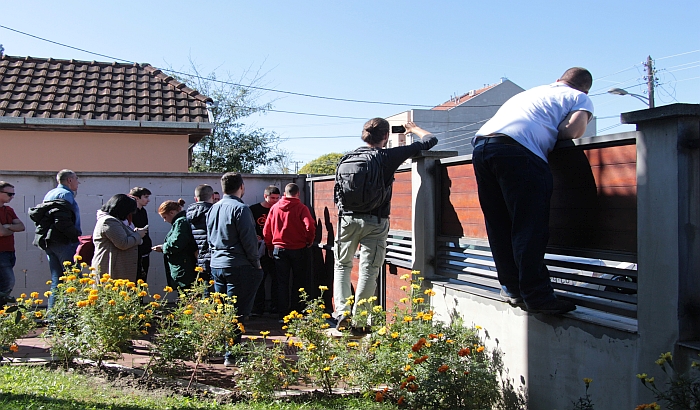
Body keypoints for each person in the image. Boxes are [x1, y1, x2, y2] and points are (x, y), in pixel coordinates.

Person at [471, 67, 594, 314]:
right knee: (529, 226)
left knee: (499, 226)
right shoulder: (579, 97)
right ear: (584, 88)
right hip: (519, 152)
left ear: (559, 79)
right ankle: (538, 297)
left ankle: (512, 289)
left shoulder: (533, 93)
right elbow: (572, 131)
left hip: (483, 148)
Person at [333, 119, 437, 330]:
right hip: (375, 220)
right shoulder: (388, 156)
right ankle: (360, 320)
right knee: (369, 269)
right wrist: (414, 129)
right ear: (386, 137)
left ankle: (342, 312)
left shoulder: (349, 157)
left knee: (342, 265)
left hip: (346, 220)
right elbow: (430, 140)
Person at [206, 172, 263, 367]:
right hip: (238, 265)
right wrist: (256, 262)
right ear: (241, 186)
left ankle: (223, 349)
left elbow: (209, 236)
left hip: (217, 264)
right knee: (237, 312)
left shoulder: (213, 208)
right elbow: (249, 240)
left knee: (223, 310)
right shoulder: (241, 208)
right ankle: (231, 354)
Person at [263, 183, 315, 318]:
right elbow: (309, 225)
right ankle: (297, 311)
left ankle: (282, 313)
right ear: (298, 194)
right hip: (298, 249)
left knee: (282, 282)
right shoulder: (301, 208)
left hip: (279, 249)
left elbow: (266, 230)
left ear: (284, 194)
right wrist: (309, 240)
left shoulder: (274, 208)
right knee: (298, 281)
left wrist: (269, 246)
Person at [30, 170, 82, 308]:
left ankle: (54, 318)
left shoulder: (50, 193)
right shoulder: (65, 194)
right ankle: (68, 317)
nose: (78, 182)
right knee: (72, 280)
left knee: (57, 280)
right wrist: (75, 235)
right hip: (64, 242)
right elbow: (61, 220)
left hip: (50, 241)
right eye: (76, 179)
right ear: (69, 180)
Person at [92, 194, 146, 282]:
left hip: (119, 267)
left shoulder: (116, 221)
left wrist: (135, 233)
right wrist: (138, 235)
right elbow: (123, 243)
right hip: (111, 267)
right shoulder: (109, 221)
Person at [152, 199, 198, 289]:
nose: (165, 221)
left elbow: (176, 244)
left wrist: (163, 247)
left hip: (184, 265)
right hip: (183, 265)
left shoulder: (181, 223)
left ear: (172, 213)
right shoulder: (180, 222)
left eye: (165, 217)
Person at [249, 185, 281, 316]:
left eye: (277, 198)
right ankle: (258, 307)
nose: (275, 200)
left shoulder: (278, 209)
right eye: (272, 198)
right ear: (265, 196)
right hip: (258, 249)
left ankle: (274, 306)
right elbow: (248, 226)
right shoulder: (254, 209)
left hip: (274, 247)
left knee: (276, 279)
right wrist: (253, 235)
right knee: (259, 279)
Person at [0, 182, 25, 305]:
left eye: (13, 194)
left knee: (5, 284)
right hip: (1, 253)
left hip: (9, 252)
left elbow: (21, 226)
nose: (12, 197)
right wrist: (10, 230)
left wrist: (8, 226)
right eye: (9, 194)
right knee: (8, 282)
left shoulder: (8, 210)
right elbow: (2, 232)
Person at [186, 184, 214, 285]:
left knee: (204, 290)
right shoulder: (214, 212)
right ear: (213, 197)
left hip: (198, 258)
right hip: (213, 257)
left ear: (196, 199)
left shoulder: (188, 214)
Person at [129, 187, 152, 283]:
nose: (148, 200)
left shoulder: (143, 211)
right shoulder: (130, 212)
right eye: (145, 197)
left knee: (143, 280)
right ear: (136, 198)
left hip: (145, 249)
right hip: (135, 249)